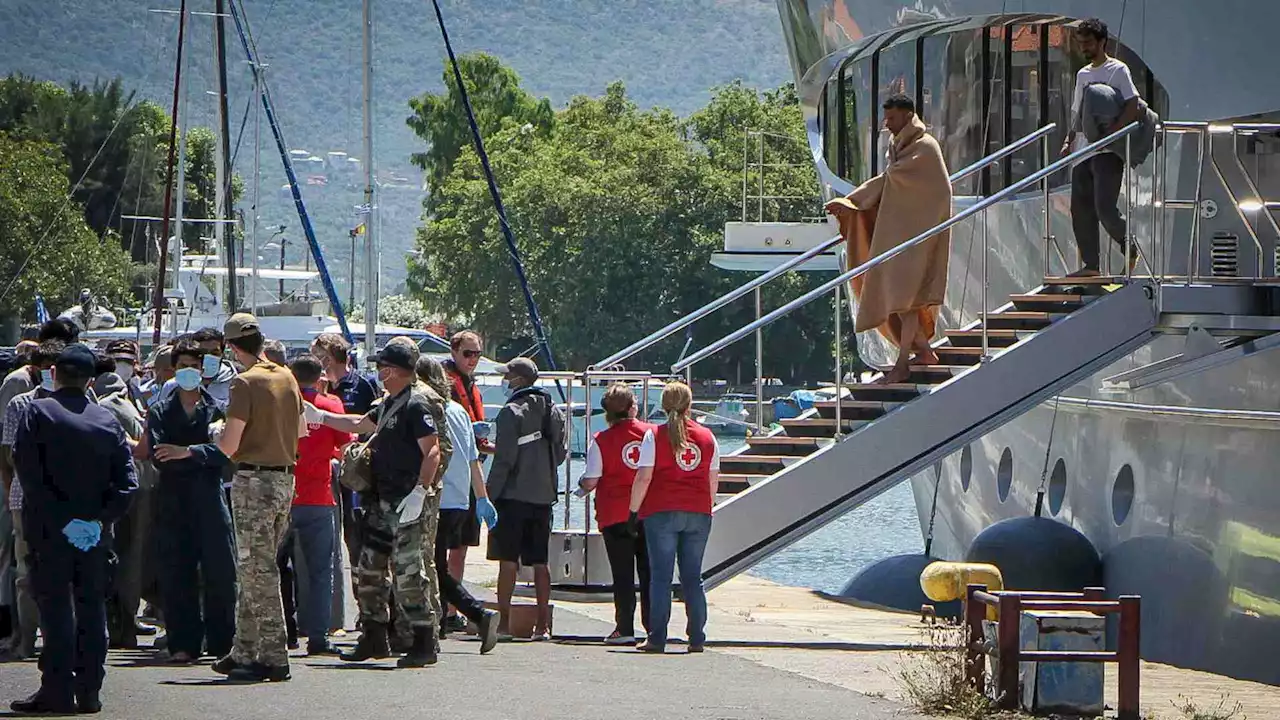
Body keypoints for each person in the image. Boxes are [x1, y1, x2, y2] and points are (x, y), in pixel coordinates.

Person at [10, 344, 137, 714]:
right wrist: (99, 520)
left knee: (55, 610)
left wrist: (62, 521)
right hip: (94, 532)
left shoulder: (37, 412)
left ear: (55, 375)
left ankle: (57, 688)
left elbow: (29, 476)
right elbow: (126, 483)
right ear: (90, 380)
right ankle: (90, 690)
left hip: (51, 530)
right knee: (91, 608)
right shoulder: (107, 420)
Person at [309, 341, 446, 668]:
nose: (379, 373)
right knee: (369, 568)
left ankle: (424, 639)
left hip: (405, 501)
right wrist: (321, 417)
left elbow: (433, 450)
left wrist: (419, 492)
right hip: (380, 501)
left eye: (383, 367)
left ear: (395, 370)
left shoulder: (415, 405)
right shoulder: (389, 404)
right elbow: (358, 424)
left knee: (408, 573)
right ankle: (373, 634)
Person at [825, 93, 951, 384]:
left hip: (921, 235)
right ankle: (922, 352)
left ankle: (903, 363)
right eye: (886, 117)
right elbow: (893, 183)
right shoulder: (902, 147)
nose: (887, 123)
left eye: (892, 118)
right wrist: (853, 205)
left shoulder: (924, 148)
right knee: (903, 299)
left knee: (906, 300)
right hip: (904, 234)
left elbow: (898, 182)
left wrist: (852, 201)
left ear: (908, 116)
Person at [210, 314, 305, 683]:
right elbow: (300, 430)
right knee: (257, 565)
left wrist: (217, 433)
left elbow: (230, 445)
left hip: (254, 481)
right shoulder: (286, 376)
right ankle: (244, 647)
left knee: (257, 569)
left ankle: (273, 653)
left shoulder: (244, 383)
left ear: (232, 348)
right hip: (284, 480)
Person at [147, 340, 237, 664]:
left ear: (203, 371)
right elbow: (160, 456)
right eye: (183, 365)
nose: (190, 371)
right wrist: (201, 455)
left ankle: (223, 642)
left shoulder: (215, 409)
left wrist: (186, 452)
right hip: (173, 499)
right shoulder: (159, 410)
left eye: (195, 366)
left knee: (222, 570)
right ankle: (183, 642)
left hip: (210, 497)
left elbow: (226, 452)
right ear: (174, 368)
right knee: (176, 572)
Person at [415, 355, 500, 652]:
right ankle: (442, 622)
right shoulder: (459, 411)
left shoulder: (421, 407)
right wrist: (482, 498)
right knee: (436, 564)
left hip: (433, 497)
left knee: (431, 565)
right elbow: (472, 458)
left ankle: (471, 613)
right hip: (459, 500)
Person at [628, 381, 719, 654]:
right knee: (693, 577)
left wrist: (633, 511)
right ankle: (697, 637)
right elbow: (713, 480)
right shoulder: (708, 437)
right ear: (690, 405)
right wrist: (707, 506)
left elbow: (644, 477)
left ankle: (657, 637)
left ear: (664, 404)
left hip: (661, 511)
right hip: (698, 512)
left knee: (661, 577)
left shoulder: (653, 436)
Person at [486, 357, 566, 640]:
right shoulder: (553, 410)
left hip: (513, 496)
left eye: (507, 375)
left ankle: (505, 624)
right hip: (543, 496)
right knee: (540, 561)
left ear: (517, 379)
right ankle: (542, 625)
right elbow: (560, 455)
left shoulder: (511, 411)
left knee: (508, 561)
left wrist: (487, 496)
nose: (505, 381)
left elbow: (505, 460)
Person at [1061, 17, 1142, 278]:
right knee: (1080, 209)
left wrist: (1115, 130)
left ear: (1101, 42)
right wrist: (1068, 140)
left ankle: (1129, 245)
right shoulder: (1083, 74)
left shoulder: (1117, 70)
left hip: (1108, 152)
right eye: (1081, 43)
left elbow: (1133, 104)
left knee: (1104, 206)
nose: (1084, 48)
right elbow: (1077, 112)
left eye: (1088, 43)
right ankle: (1091, 266)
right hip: (1083, 150)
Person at [0, 340, 64, 663]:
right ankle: (25, 641)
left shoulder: (81, 401)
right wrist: (15, 490)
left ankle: (60, 642)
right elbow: (8, 455)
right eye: (48, 367)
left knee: (65, 574)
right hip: (24, 499)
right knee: (26, 574)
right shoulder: (19, 404)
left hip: (67, 502)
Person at [285, 355, 351, 656]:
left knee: (274, 567)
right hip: (318, 495)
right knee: (321, 570)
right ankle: (319, 636)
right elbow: (345, 444)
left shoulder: (280, 404)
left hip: (283, 493)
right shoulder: (331, 405)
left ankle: (282, 631)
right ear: (319, 377)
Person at [579, 383, 654, 646]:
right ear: (633, 407)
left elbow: (591, 480)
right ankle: (654, 627)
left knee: (622, 575)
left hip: (614, 515)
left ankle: (624, 628)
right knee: (649, 572)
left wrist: (580, 485)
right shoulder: (652, 434)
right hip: (647, 512)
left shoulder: (601, 440)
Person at [91, 353, 152, 650]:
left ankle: (118, 623)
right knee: (131, 557)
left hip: (112, 491)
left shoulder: (102, 406)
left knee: (113, 557)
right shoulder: (126, 400)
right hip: (138, 487)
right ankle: (124, 621)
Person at [441, 330, 489, 632]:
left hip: (470, 476)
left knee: (461, 548)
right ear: (454, 351)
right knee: (441, 548)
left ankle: (451, 609)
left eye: (477, 354)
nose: (472, 360)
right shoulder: (445, 383)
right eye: (467, 354)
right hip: (451, 479)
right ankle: (443, 608)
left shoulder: (471, 385)